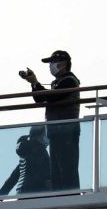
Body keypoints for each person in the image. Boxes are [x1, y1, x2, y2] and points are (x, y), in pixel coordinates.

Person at [19, 50, 81, 191]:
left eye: (53, 62)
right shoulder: (58, 82)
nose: (51, 66)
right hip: (56, 131)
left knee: (67, 167)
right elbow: (41, 98)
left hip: (66, 130)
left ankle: (70, 197)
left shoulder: (69, 81)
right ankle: (60, 195)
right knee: (57, 169)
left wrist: (36, 84)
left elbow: (50, 97)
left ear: (63, 63)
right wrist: (34, 82)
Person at [0, 126, 52, 196]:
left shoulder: (26, 155)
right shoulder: (40, 150)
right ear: (40, 135)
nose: (48, 139)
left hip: (22, 192)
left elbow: (14, 177)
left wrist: (1, 194)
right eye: (46, 135)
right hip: (36, 192)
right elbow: (45, 170)